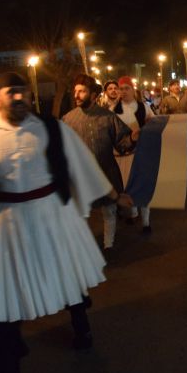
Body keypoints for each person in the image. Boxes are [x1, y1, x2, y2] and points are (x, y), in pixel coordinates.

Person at [0, 72, 132, 373]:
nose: (18, 98)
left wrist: (111, 196)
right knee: (5, 303)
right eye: (10, 93)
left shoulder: (52, 129)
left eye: (23, 92)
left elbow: (81, 164)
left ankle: (82, 329)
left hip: (52, 216)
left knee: (70, 278)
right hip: (6, 226)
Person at [62, 74, 138, 251]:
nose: (77, 95)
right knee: (81, 213)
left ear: (93, 94)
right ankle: (84, 249)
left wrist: (132, 138)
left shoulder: (108, 117)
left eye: (82, 91)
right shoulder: (68, 119)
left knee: (109, 211)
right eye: (76, 91)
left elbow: (122, 143)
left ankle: (108, 246)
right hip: (79, 176)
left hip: (106, 171)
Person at [113, 76, 155, 233]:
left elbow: (154, 122)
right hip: (124, 154)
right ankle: (133, 212)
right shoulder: (114, 110)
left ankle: (146, 222)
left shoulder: (143, 107)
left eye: (126, 88)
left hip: (141, 152)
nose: (123, 91)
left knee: (143, 186)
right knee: (128, 186)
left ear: (133, 90)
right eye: (121, 88)